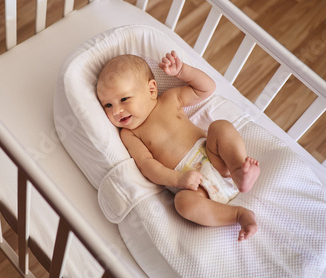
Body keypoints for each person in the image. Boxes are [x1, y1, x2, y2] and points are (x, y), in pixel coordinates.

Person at [96, 51, 260, 241]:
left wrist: (183, 71)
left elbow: (206, 89)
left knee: (220, 127)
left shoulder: (170, 99)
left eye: (124, 99)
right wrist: (178, 179)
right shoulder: (129, 133)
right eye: (107, 105)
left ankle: (239, 170)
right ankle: (238, 215)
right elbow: (147, 165)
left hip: (216, 159)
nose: (116, 110)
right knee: (183, 204)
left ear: (151, 89)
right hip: (195, 187)